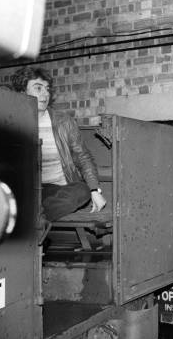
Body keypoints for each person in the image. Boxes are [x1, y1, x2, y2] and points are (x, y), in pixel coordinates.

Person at [10, 66, 106, 222]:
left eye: (47, 89)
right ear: (22, 93)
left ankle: (32, 221)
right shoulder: (11, 122)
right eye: (38, 88)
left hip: (58, 190)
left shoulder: (63, 121)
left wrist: (95, 189)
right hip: (28, 191)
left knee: (82, 191)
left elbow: (82, 156)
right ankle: (34, 219)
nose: (45, 93)